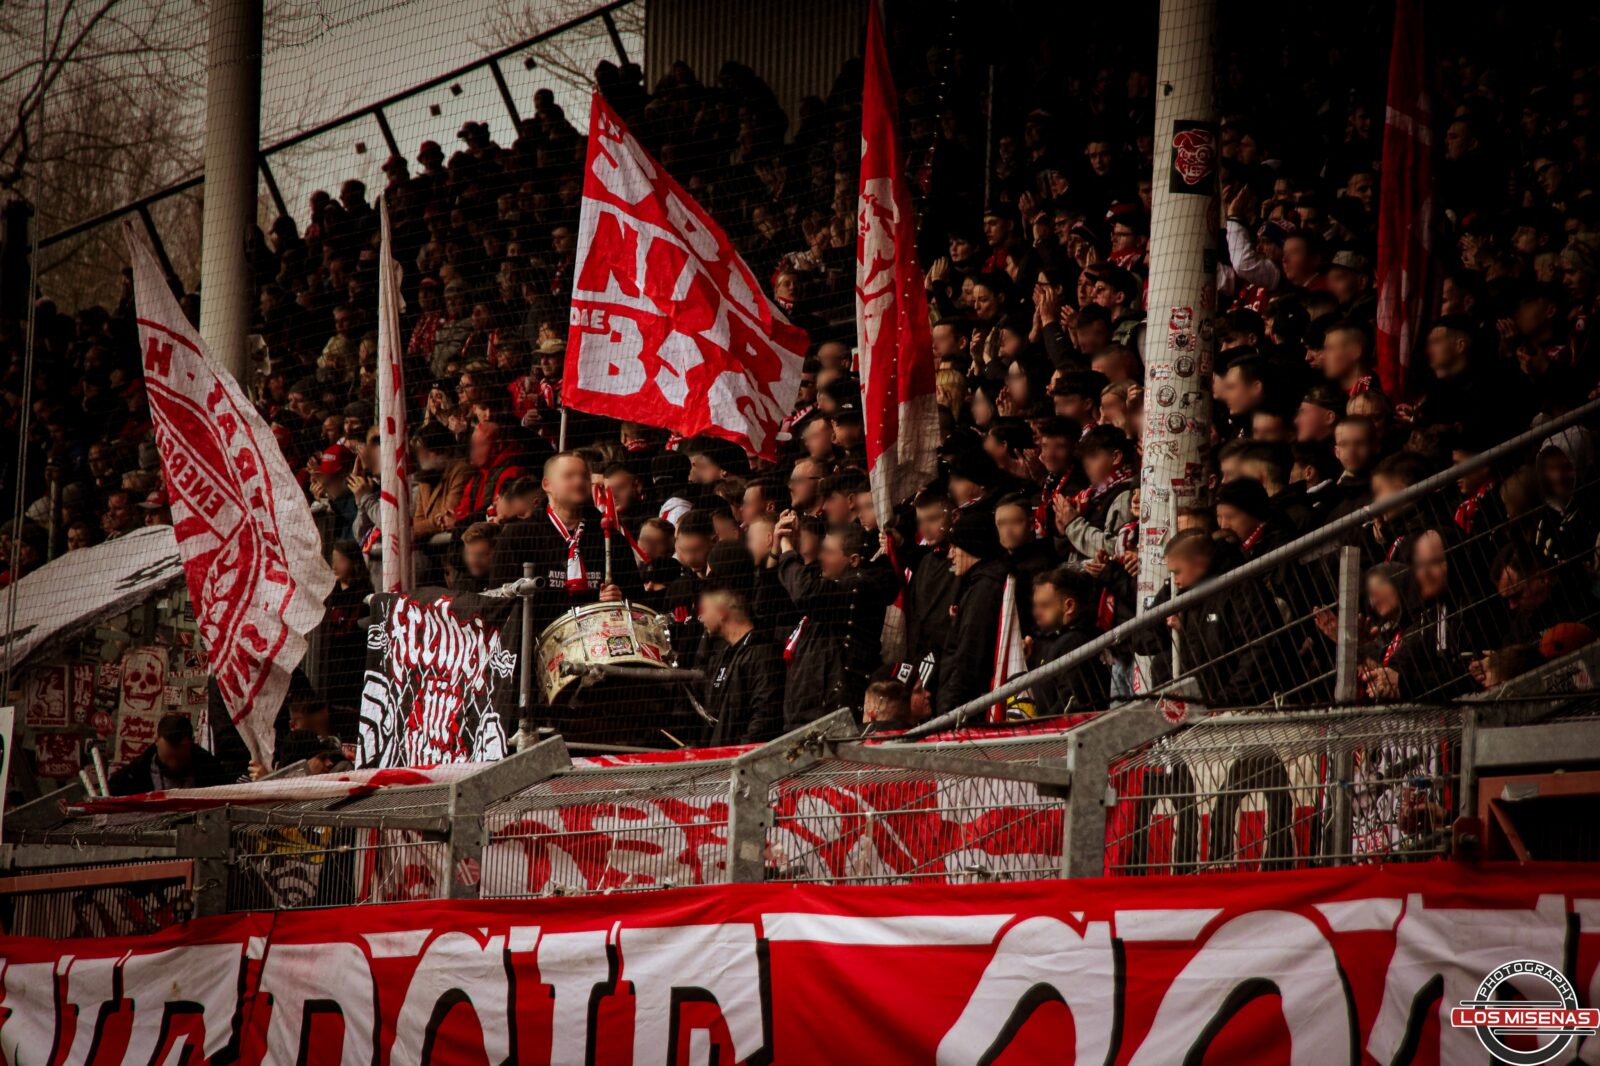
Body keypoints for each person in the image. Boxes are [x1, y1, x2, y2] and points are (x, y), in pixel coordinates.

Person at [771, 513, 897, 728]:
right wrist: (778, 549)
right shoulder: (830, 585)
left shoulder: (858, 587)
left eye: (828, 552)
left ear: (853, 560)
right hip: (810, 712)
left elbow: (804, 591)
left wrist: (787, 549)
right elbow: (778, 598)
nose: (821, 557)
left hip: (837, 712)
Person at [490, 451, 642, 631]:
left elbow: (639, 602)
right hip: (535, 647)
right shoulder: (518, 536)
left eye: (584, 476)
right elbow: (500, 600)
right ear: (547, 485)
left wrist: (618, 601)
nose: (579, 482)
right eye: (569, 476)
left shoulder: (609, 535)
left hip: (599, 644)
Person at [933, 510, 1009, 715]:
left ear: (971, 547)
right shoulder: (977, 585)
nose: (950, 555)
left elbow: (968, 656)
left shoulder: (983, 590)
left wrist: (950, 712)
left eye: (954, 547)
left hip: (965, 709)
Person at [698, 584, 785, 745]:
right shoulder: (726, 654)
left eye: (705, 610)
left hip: (741, 763)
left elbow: (765, 715)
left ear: (722, 612)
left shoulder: (763, 653)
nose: (701, 618)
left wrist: (738, 755)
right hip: (720, 760)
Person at [1028, 567, 1109, 715]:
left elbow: (1072, 699)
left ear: (1069, 606)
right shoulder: (1049, 641)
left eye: (1045, 605)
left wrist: (1039, 728)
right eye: (1036, 605)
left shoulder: (1074, 642)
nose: (1036, 613)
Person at [109, 713, 228, 795]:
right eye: (167, 759)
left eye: (179, 759)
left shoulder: (213, 771)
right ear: (156, 740)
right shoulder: (131, 776)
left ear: (191, 743)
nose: (173, 765)